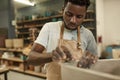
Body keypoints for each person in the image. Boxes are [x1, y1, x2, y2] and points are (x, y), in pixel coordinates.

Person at [27, 0, 98, 80]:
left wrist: (89, 62)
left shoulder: (88, 35)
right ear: (63, 10)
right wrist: (52, 55)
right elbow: (30, 59)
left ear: (85, 15)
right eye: (69, 14)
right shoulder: (49, 28)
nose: (73, 20)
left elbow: (95, 64)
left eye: (79, 17)